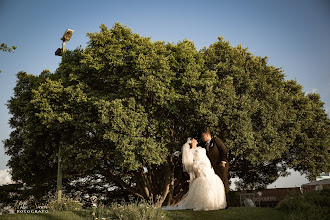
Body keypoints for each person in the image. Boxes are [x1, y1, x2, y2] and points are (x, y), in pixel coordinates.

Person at [164, 138, 226, 211]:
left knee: (212, 181)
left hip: (208, 165)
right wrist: (197, 166)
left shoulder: (200, 148)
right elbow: (189, 162)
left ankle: (214, 203)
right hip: (200, 167)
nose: (196, 140)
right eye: (194, 139)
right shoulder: (190, 151)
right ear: (191, 142)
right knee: (204, 182)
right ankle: (205, 203)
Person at [201, 131, 230, 208]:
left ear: (207, 135)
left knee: (224, 182)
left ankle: (227, 203)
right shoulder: (205, 146)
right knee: (217, 184)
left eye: (203, 136)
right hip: (213, 168)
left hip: (221, 165)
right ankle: (219, 202)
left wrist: (223, 161)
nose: (202, 137)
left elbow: (224, 150)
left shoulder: (216, 140)